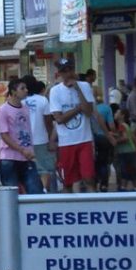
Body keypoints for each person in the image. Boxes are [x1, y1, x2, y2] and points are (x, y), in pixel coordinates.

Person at [49, 59, 96, 193]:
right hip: (66, 141)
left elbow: (88, 111)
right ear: (60, 73)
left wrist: (78, 89)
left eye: (70, 69)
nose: (68, 73)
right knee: (68, 182)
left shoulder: (85, 86)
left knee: (89, 178)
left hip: (84, 139)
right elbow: (59, 119)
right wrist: (77, 109)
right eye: (65, 71)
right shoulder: (55, 91)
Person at [0, 79, 43, 194]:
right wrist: (22, 150)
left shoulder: (25, 108)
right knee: (11, 194)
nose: (26, 91)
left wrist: (29, 151)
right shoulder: (3, 110)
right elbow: (4, 135)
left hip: (26, 157)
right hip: (9, 157)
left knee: (35, 191)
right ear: (13, 91)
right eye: (22, 88)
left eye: (26, 88)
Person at [23, 78, 57, 192]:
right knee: (45, 169)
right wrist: (52, 138)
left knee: (29, 169)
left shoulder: (20, 102)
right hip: (41, 139)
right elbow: (48, 122)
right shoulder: (43, 100)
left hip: (24, 142)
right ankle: (45, 190)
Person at [90, 87, 116, 192]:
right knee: (104, 162)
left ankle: (93, 183)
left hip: (90, 138)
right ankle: (104, 184)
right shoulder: (107, 108)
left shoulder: (89, 108)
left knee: (93, 162)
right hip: (103, 137)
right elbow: (112, 125)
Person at [113, 108, 136, 191]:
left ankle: (124, 187)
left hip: (125, 152)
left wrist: (115, 141)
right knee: (131, 170)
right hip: (131, 151)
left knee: (124, 170)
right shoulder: (126, 125)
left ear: (122, 116)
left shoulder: (121, 126)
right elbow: (133, 137)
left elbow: (125, 138)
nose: (115, 113)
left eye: (117, 112)